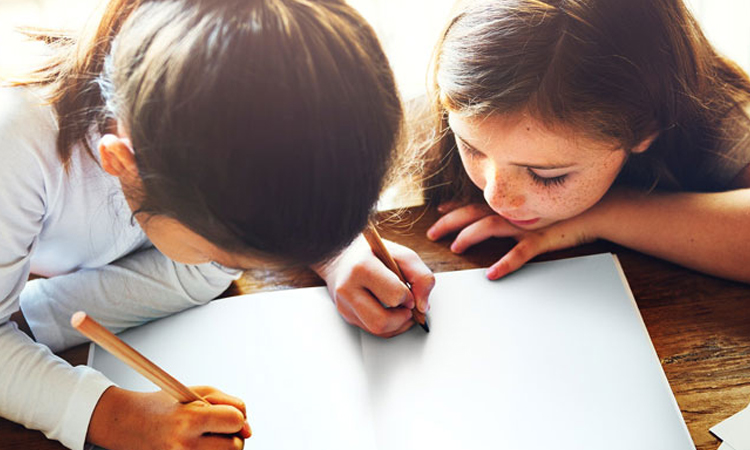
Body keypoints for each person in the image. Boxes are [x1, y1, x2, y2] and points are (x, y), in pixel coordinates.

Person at [0, 0, 433, 449]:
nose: (234, 267)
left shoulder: (269, 71)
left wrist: (335, 252)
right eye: (219, 252)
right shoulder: (16, 146)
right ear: (121, 164)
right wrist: (116, 416)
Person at [421, 0, 750, 283]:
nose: (497, 198)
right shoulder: (444, 99)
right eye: (471, 148)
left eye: (548, 175)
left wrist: (604, 214)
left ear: (645, 129)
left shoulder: (727, 120)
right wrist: (366, 252)